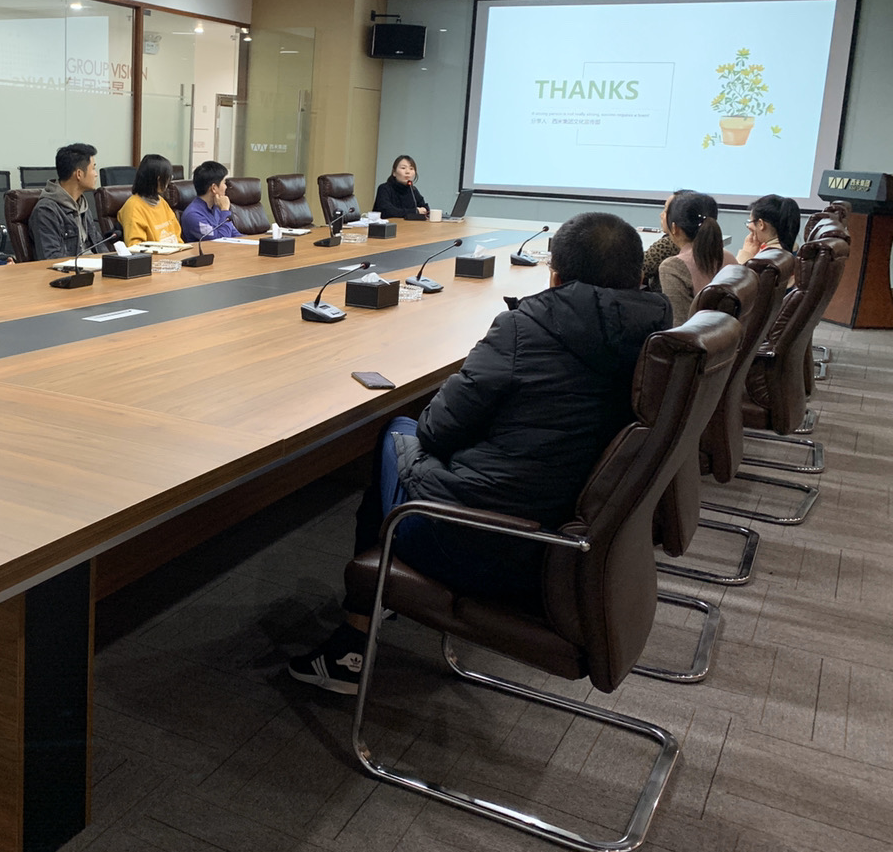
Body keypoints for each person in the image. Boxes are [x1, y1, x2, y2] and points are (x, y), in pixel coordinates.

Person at [288, 212, 671, 695]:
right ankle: (378, 604)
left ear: (554, 276)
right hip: (573, 541)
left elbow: (435, 430)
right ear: (638, 278)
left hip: (491, 543)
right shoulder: (659, 337)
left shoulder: (523, 329)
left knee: (397, 431)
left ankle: (354, 643)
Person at [657, 190, 737, 324]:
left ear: (674, 228)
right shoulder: (729, 258)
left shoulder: (673, 267)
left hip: (701, 335)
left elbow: (680, 327)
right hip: (731, 333)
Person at [31, 143, 105, 260]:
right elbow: (51, 258)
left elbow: (100, 246)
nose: (96, 174)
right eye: (93, 168)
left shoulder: (82, 206)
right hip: (72, 269)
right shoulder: (46, 211)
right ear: (79, 174)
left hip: (93, 267)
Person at [118, 154, 183, 245]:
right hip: (154, 254)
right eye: (168, 178)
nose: (169, 183)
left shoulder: (162, 202)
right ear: (158, 180)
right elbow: (135, 245)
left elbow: (177, 236)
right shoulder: (133, 207)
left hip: (173, 252)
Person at [179, 161, 241, 242]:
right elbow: (221, 241)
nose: (226, 187)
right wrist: (225, 210)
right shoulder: (193, 215)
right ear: (214, 188)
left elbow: (236, 235)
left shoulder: (217, 207)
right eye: (224, 183)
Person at [737, 194, 801, 263]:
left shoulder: (765, 259)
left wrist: (746, 254)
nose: (749, 226)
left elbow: (736, 270)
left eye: (750, 221)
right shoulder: (792, 248)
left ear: (761, 224)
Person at [372, 155, 428, 219]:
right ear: (394, 172)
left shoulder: (413, 190)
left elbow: (425, 208)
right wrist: (415, 211)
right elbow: (388, 212)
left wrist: (423, 210)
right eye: (403, 168)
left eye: (411, 169)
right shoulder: (384, 188)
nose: (407, 172)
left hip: (409, 225)